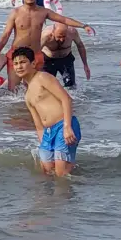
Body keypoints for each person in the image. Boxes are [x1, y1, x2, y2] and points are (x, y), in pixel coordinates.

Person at [0, 0, 94, 90]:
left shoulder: (43, 12)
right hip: (17, 54)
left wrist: (84, 26)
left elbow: (64, 20)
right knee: (13, 89)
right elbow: (6, 35)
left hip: (35, 55)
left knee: (35, 88)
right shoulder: (15, 12)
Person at [11, 46, 80, 177]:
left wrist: (67, 126)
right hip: (48, 133)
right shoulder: (27, 95)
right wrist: (44, 144)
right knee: (47, 171)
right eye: (16, 63)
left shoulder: (42, 77)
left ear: (33, 63)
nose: (19, 66)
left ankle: (73, 185)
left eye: (23, 62)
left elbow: (66, 99)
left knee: (61, 173)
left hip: (63, 125)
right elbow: (38, 125)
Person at [41, 21, 90, 88]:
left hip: (66, 59)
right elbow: (36, 51)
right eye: (59, 36)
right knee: (47, 86)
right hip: (48, 60)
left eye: (64, 36)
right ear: (53, 32)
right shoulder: (45, 35)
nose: (61, 39)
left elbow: (80, 46)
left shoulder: (72, 32)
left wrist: (85, 65)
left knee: (71, 85)